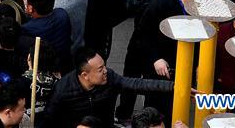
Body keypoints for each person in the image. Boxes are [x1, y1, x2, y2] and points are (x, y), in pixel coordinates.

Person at [43, 47, 174, 128]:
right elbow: (50, 119)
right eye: (100, 69)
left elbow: (137, 84)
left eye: (104, 66)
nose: (106, 71)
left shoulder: (110, 78)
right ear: (85, 75)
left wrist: (173, 87)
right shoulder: (63, 91)